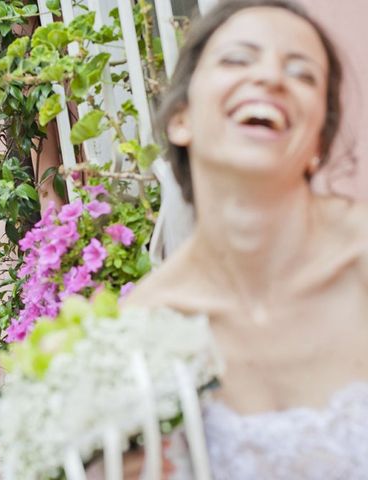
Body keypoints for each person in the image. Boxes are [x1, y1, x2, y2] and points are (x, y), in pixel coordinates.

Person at [125, 0, 368, 478]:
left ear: (318, 141)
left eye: (302, 74)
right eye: (237, 60)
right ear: (181, 120)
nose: (271, 78)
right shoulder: (144, 333)